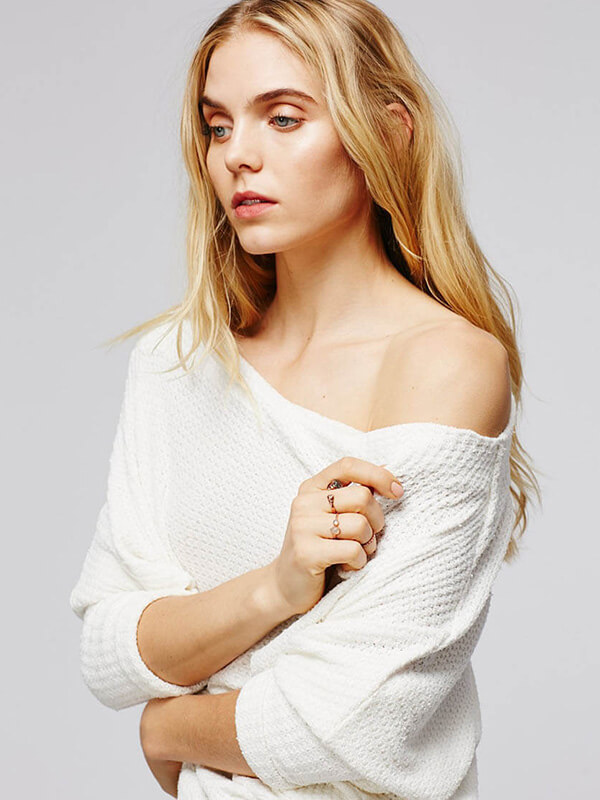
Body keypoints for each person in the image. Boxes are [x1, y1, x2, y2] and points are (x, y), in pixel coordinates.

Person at [69, 1, 541, 798]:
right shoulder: (175, 362)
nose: (238, 156)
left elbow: (352, 723)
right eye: (218, 126)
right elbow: (112, 650)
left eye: (283, 118)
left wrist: (167, 726)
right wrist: (277, 588)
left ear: (389, 131)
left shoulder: (446, 365)